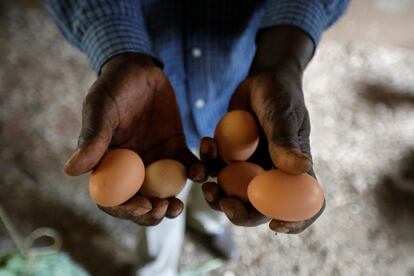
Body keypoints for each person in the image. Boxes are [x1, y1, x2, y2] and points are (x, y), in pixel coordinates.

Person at [44, 0, 349, 275]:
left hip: (238, 89)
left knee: (223, 179)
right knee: (155, 202)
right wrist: (121, 55)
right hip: (145, 106)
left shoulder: (243, 110)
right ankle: (156, 266)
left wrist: (279, 63)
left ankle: (207, 224)